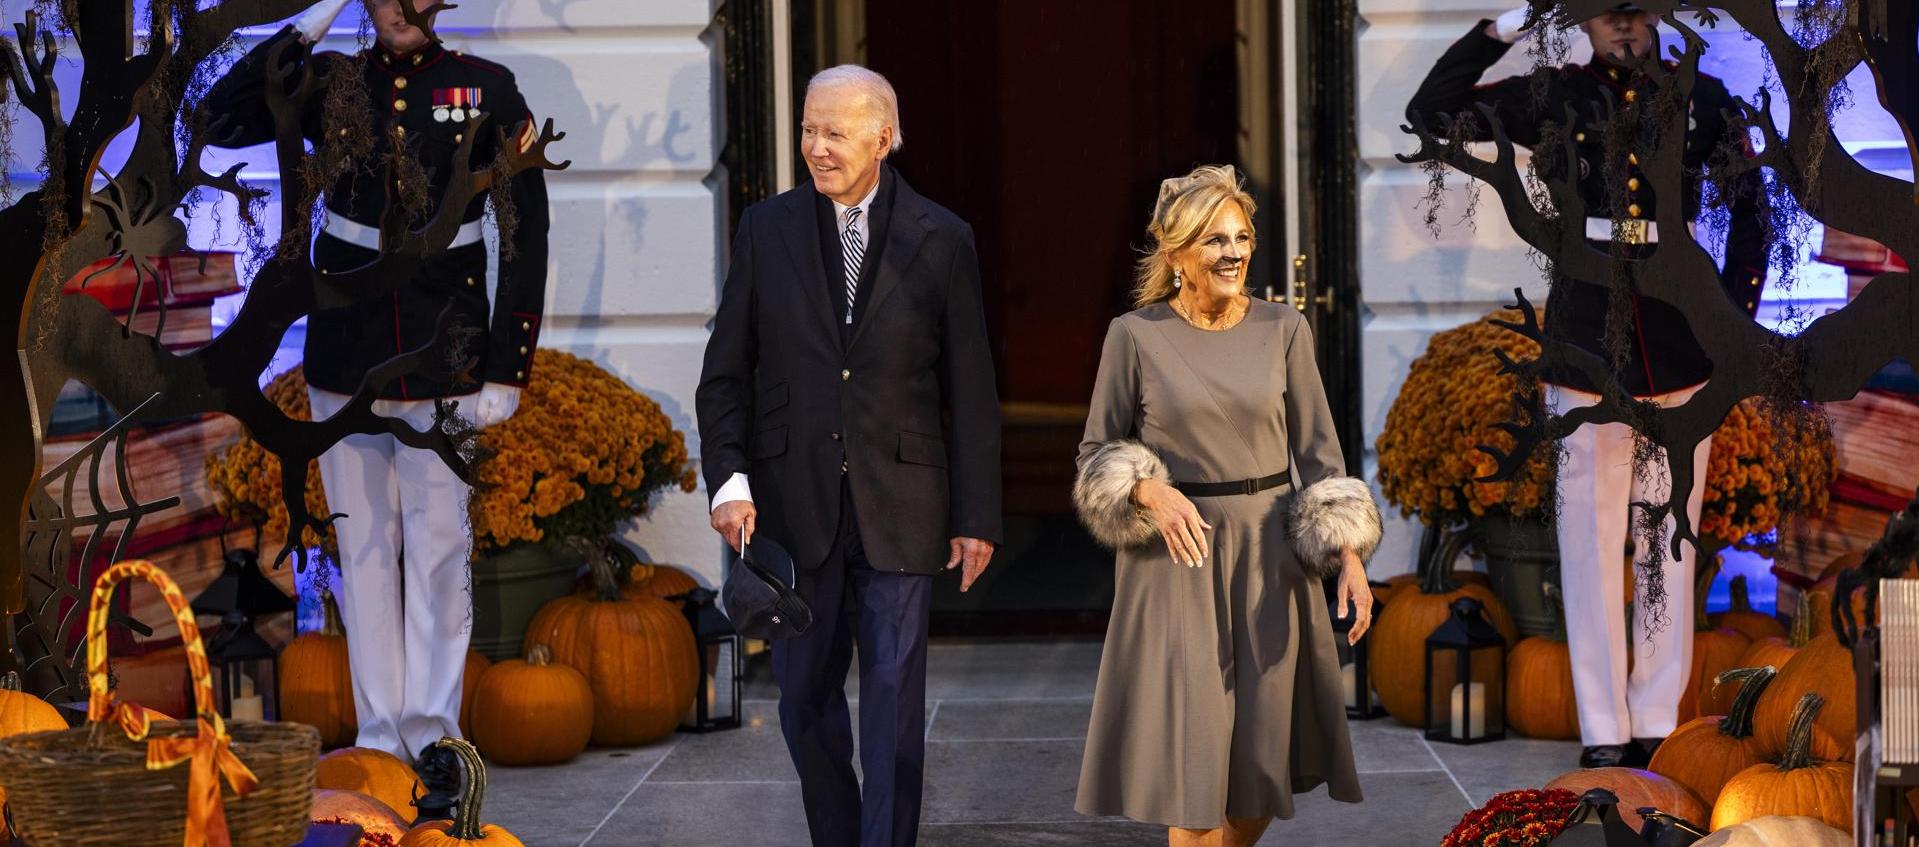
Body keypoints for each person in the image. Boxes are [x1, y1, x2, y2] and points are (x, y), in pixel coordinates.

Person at [1405, 4, 1770, 768]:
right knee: (1589, 539)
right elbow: (1429, 110)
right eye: (1605, 13)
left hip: (1680, 332)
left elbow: (1750, 212)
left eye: (1634, 11)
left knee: (1668, 540)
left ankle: (1657, 719)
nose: (1623, 28)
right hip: (1583, 333)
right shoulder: (1553, 97)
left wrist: (1732, 322)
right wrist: (1503, 24)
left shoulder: (1701, 100)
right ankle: (1604, 727)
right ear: (1583, 21)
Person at [204, 0, 550, 761]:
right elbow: (217, 119)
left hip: (444, 346)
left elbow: (524, 230)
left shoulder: (486, 89)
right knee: (360, 551)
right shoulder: (328, 82)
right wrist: (308, 25)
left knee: (437, 550)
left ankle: (434, 738)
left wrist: (506, 362)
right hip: (346, 348)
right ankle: (378, 741)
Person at [694, 65, 1001, 847]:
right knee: (801, 700)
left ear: (883, 138)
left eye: (834, 132)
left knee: (893, 703)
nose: (816, 147)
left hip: (902, 504)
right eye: (807, 129)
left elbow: (969, 391)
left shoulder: (943, 238)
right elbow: (725, 372)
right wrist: (728, 481)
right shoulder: (767, 229)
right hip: (793, 508)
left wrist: (975, 517)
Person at [1072, 165, 1381, 846]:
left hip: (1272, 560)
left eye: (1242, 237)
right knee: (1196, 767)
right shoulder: (1134, 334)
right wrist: (1148, 487)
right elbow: (1096, 450)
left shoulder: (1284, 329)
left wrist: (1349, 557)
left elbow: (1323, 457)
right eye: (1214, 239)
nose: (1234, 252)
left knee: (1261, 765)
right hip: (1175, 561)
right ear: (1177, 253)